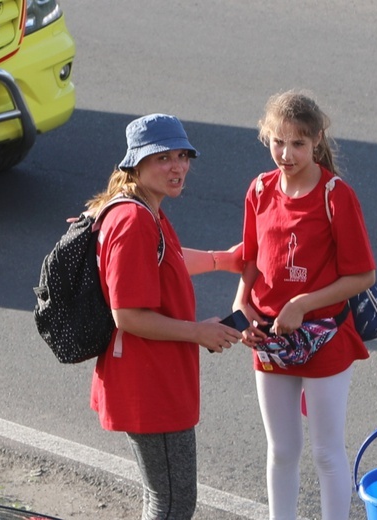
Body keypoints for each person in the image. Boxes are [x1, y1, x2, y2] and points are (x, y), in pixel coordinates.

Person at [87, 113, 244, 520]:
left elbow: (166, 260)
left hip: (152, 377)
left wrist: (223, 260)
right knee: (173, 504)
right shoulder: (133, 220)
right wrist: (199, 332)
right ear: (136, 164)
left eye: (183, 155)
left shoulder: (144, 209)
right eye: (162, 158)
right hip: (149, 383)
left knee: (160, 498)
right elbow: (127, 315)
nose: (177, 167)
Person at [233, 90, 376, 519]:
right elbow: (252, 261)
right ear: (267, 138)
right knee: (281, 450)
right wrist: (243, 305)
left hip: (324, 337)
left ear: (316, 140)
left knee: (327, 453)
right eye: (278, 141)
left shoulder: (336, 195)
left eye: (297, 143)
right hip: (271, 339)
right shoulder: (259, 189)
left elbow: (363, 275)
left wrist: (302, 303)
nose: (286, 153)